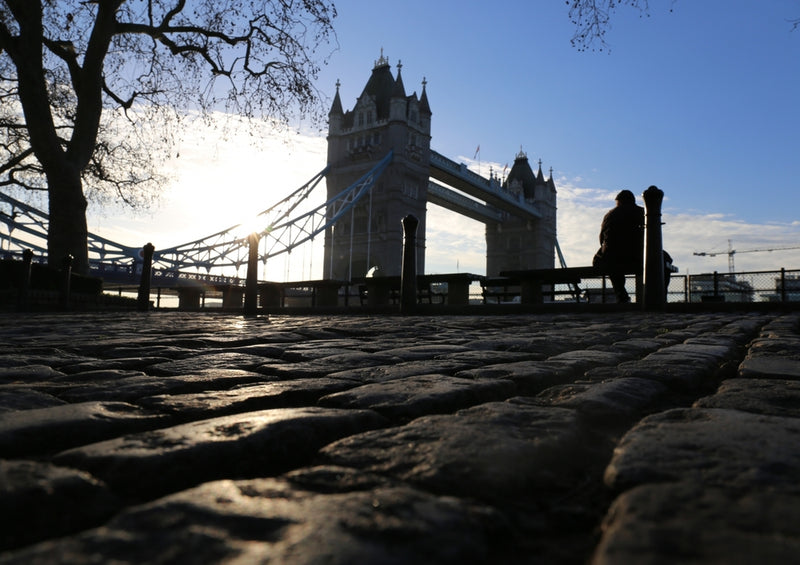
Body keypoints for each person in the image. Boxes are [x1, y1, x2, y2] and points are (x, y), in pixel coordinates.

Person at [593, 190, 644, 303]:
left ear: (619, 202)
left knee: (605, 261)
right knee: (664, 261)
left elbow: (601, 239)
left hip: (613, 256)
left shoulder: (610, 214)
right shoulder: (642, 212)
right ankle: (657, 294)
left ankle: (621, 294)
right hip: (637, 255)